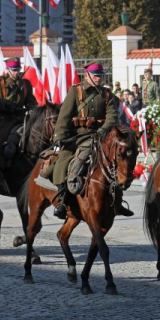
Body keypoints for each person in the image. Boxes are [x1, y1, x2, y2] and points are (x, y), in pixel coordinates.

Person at [49, 62, 131, 219]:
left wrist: (103, 130)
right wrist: (60, 137)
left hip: (102, 136)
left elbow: (112, 116)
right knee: (65, 161)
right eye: (95, 75)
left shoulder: (108, 95)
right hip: (78, 136)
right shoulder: (75, 91)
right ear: (86, 76)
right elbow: (64, 117)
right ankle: (63, 200)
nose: (99, 78)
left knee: (117, 162)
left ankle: (118, 202)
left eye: (101, 75)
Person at [0, 57, 38, 171]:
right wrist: (3, 103)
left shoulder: (25, 84)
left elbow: (31, 103)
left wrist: (32, 112)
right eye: (13, 70)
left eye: (17, 69)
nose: (16, 72)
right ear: (7, 69)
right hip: (3, 121)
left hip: (20, 120)